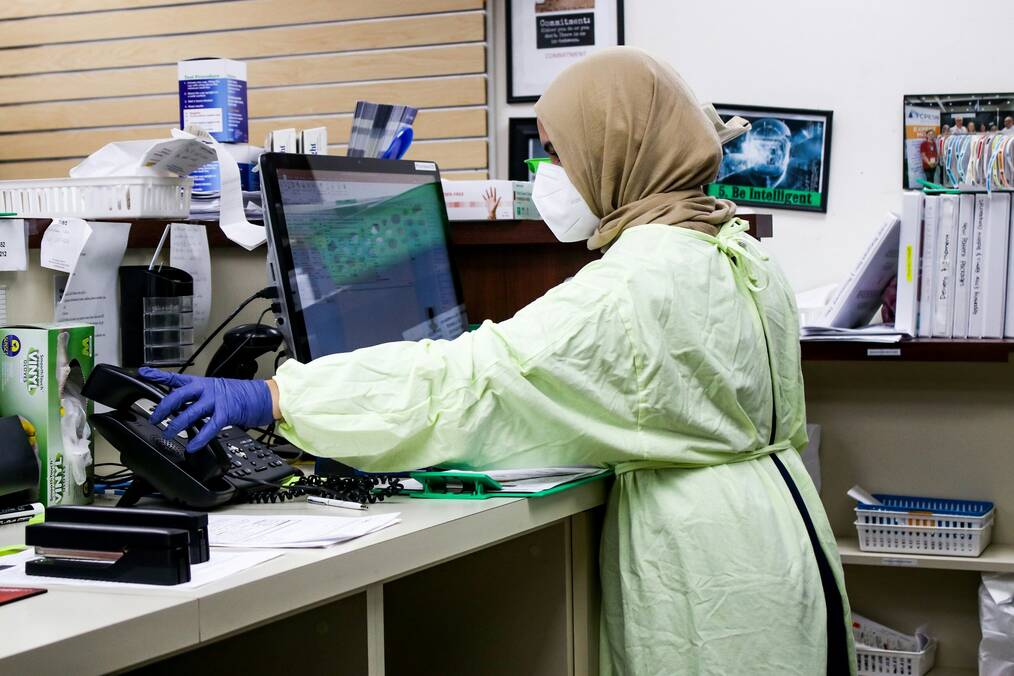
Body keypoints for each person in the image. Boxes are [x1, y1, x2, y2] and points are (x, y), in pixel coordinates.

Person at [142, 47, 855, 675]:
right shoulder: (736, 249)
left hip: (709, 573)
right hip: (782, 543)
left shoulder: (637, 282)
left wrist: (276, 400)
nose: (550, 174)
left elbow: (469, 385)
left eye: (561, 154)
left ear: (617, 153)